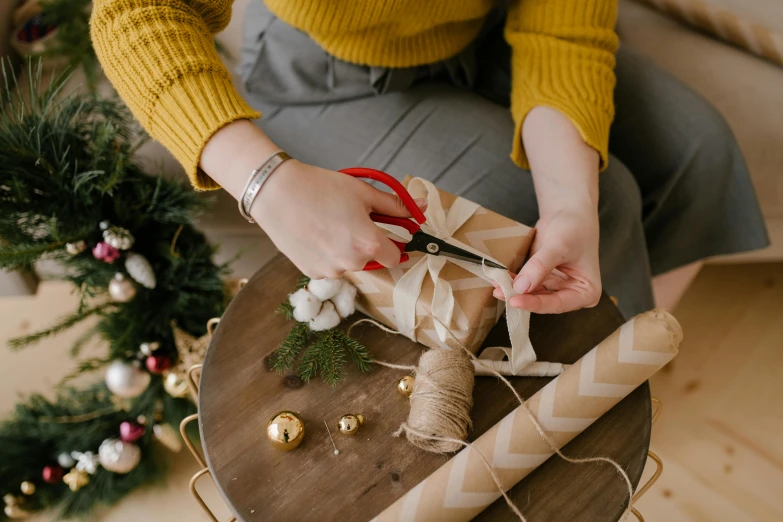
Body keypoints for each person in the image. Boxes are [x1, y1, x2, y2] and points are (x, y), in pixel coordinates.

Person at [90, 0, 768, 318]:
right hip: (329, 71)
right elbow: (132, 9)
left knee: (695, 148)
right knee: (562, 203)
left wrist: (572, 204)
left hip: (490, 20)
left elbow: (560, 24)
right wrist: (266, 182)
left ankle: (620, 368)